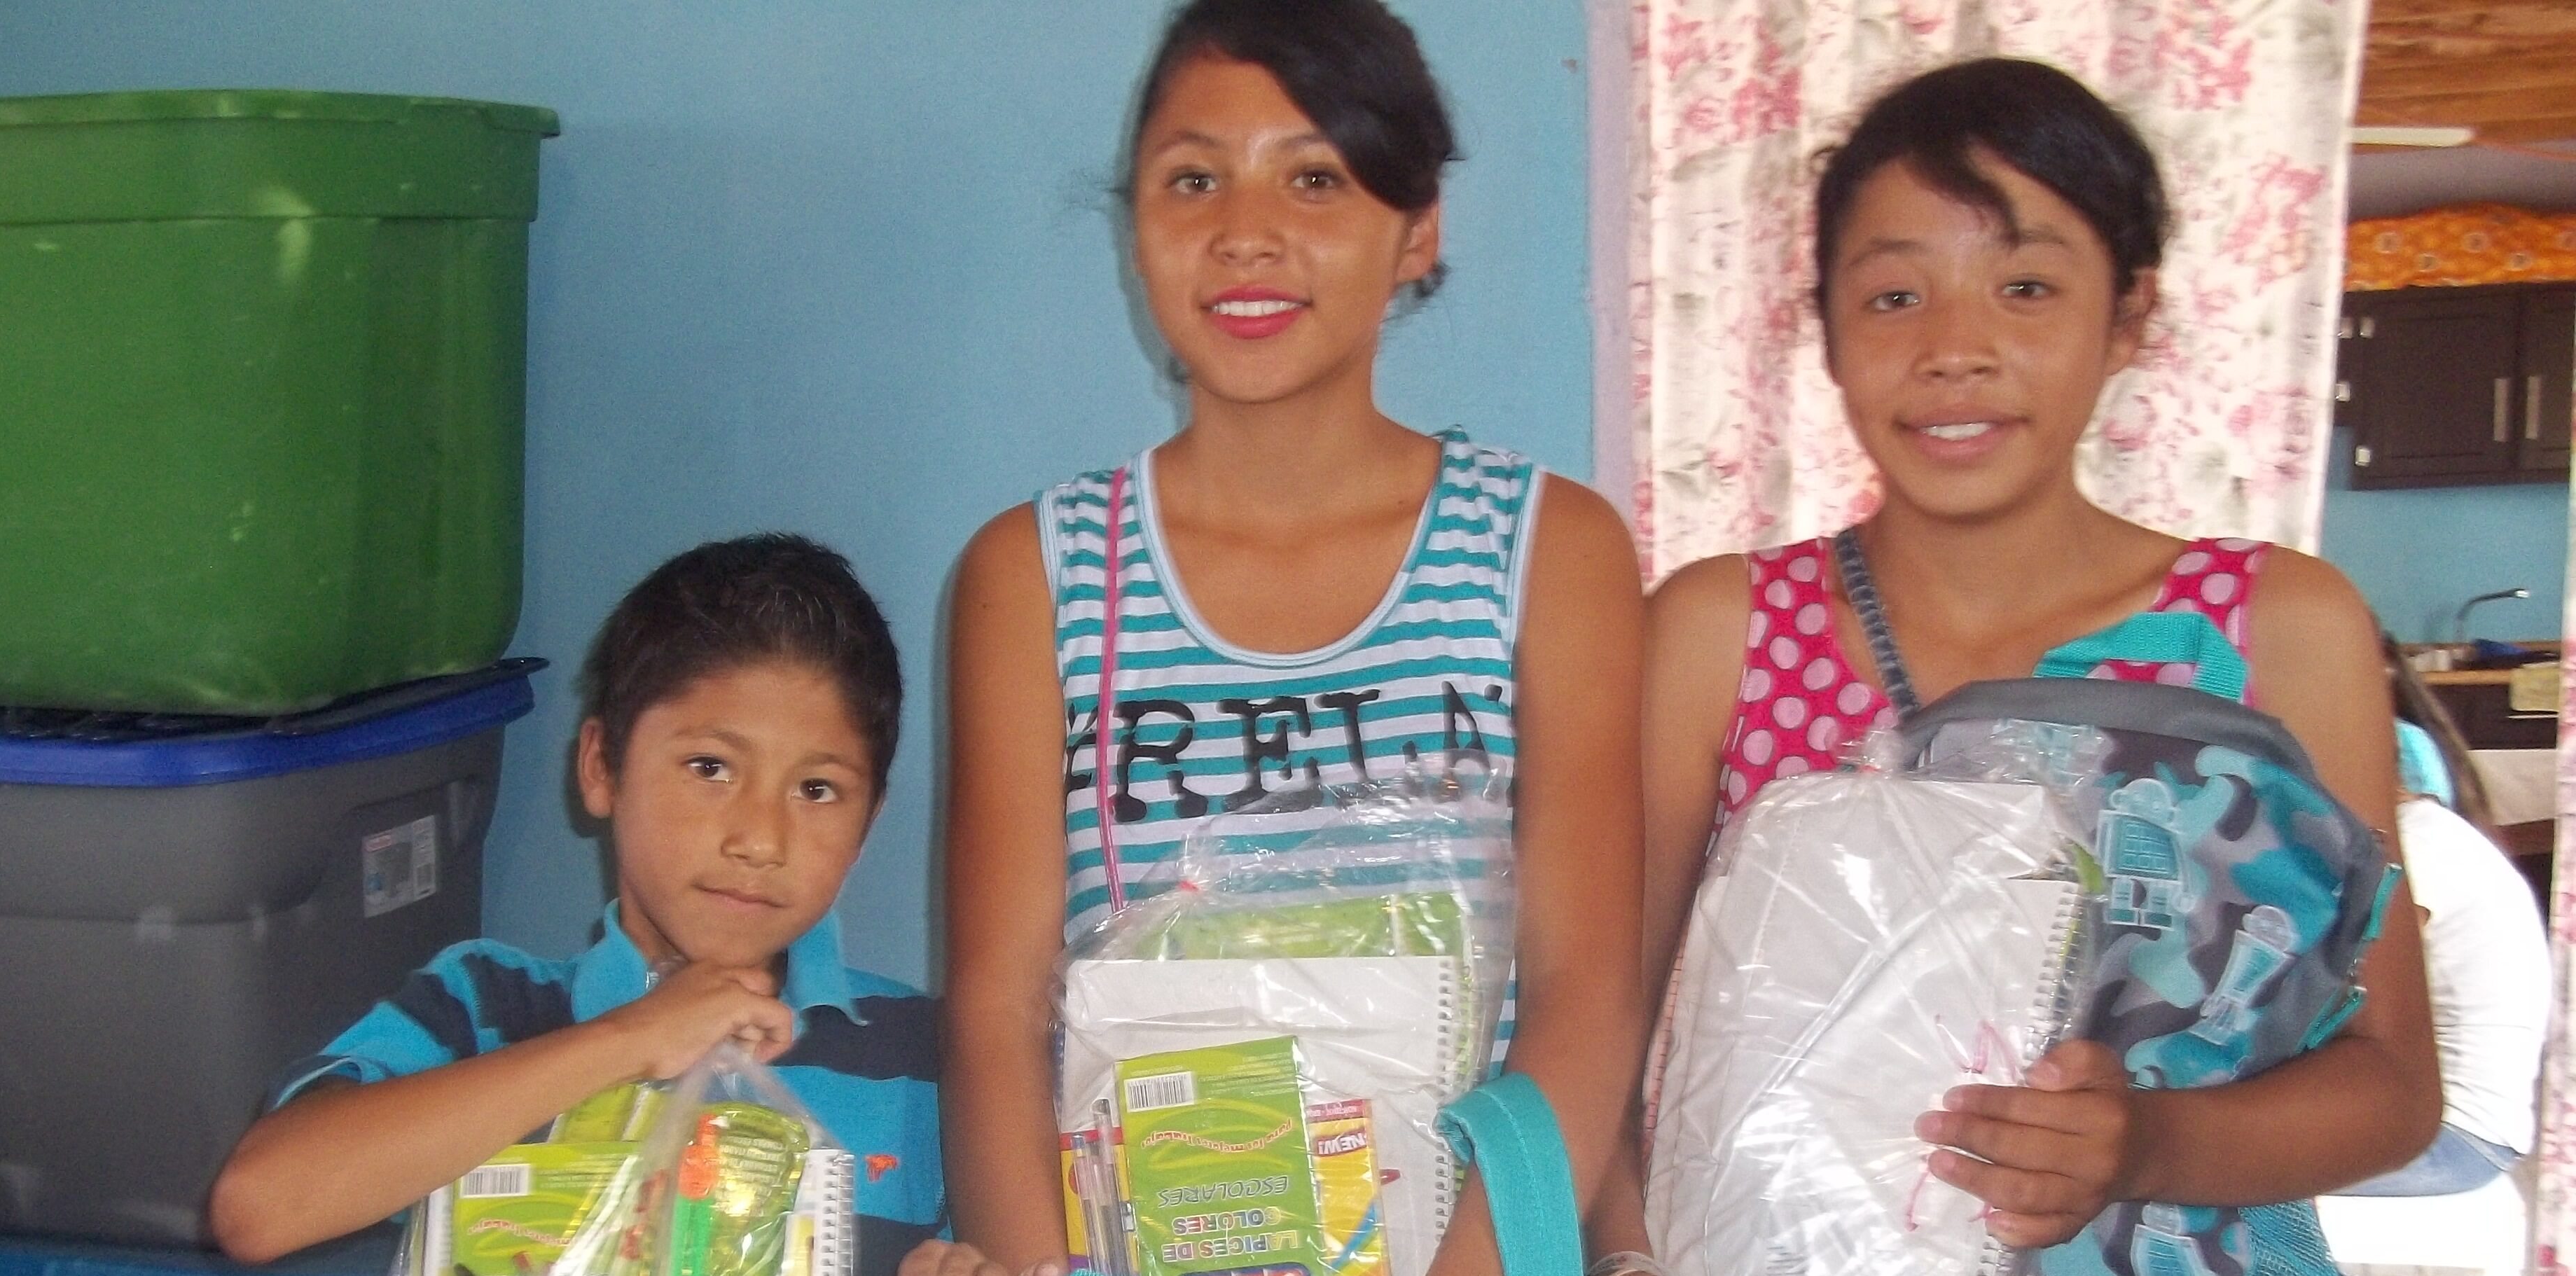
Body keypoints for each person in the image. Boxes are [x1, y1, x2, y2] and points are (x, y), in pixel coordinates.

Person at [1640, 57, 2440, 1261]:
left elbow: (2390, 1083)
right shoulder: (1720, 631)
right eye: (1893, 297)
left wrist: (2144, 1144)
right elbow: (1609, 1030)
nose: (1955, 349)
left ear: (2128, 317)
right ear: (1823, 331)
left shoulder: (2274, 626)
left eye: (2024, 287)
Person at [939, 0, 1654, 1270]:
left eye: (1313, 178)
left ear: (1417, 229)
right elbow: (998, 1013)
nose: (1243, 234)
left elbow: (1582, 992)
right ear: (1137, 226)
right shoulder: (1034, 576)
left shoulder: (1548, 551)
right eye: (1192, 178)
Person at [207, 534, 953, 1275]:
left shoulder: (924, 1057)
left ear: (868, 821)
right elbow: (262, 1206)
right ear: (601, 767)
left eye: (816, 789)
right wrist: (633, 1035)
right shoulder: (486, 1006)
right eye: (710, 767)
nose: (760, 838)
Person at [2333, 646, 2547, 1197]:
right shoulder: (2422, 836)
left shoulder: (2420, 849)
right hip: (2432, 1124)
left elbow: (2340, 989)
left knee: (2197, 1167)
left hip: (2457, 1138)